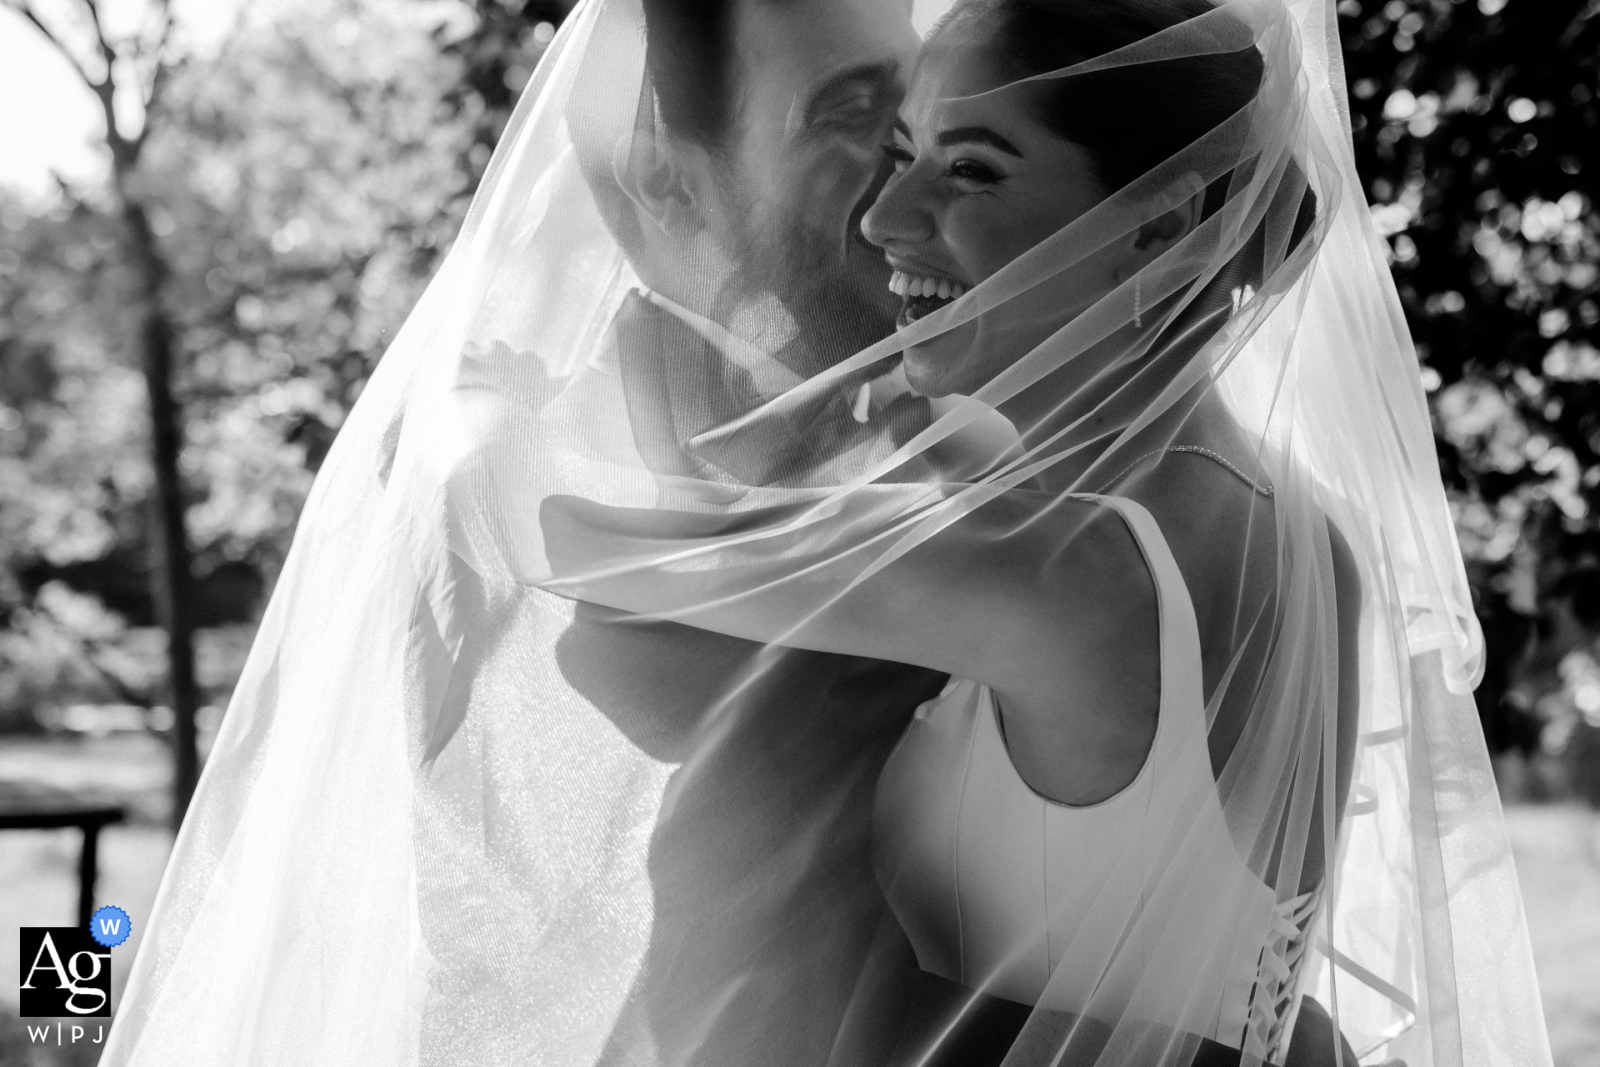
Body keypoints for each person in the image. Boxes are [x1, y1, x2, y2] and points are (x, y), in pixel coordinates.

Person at [100, 0, 1556, 1065]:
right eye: (897, 149)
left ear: (1159, 220)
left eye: (969, 169)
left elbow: (600, 560)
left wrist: (526, 417)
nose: (889, 217)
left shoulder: (1052, 570)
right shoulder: (1302, 525)